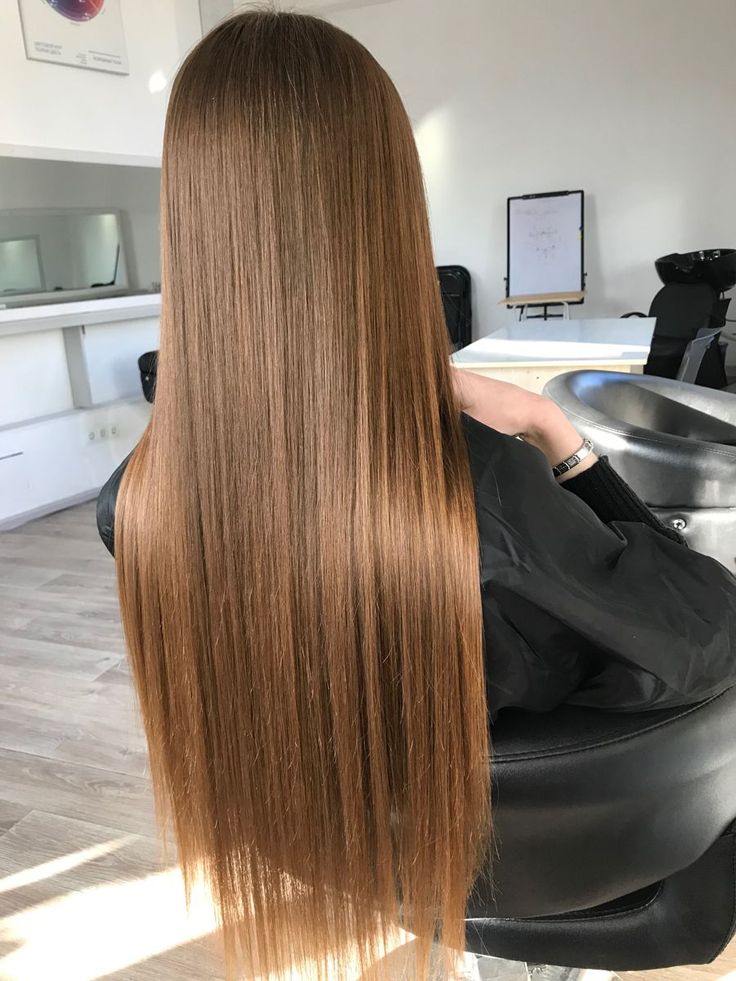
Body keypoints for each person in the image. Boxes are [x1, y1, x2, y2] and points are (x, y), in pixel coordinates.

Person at [96, 9, 736, 978]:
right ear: (383, 206)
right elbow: (708, 628)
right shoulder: (478, 497)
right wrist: (557, 438)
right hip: (595, 875)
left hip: (365, 861)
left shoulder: (138, 500)